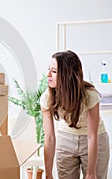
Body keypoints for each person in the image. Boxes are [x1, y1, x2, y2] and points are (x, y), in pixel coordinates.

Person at [41, 50, 110, 179]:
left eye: (54, 71)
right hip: (66, 138)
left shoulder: (89, 96)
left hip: (95, 140)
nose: (48, 75)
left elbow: (92, 136)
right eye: (49, 69)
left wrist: (91, 173)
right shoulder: (47, 98)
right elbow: (49, 137)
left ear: (67, 74)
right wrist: (48, 173)